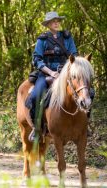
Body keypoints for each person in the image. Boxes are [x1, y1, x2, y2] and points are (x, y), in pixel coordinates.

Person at [25, 11, 78, 141]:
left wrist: (66, 71)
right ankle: (37, 129)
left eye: (57, 21)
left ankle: (84, 126)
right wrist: (51, 72)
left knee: (86, 92)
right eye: (53, 21)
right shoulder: (42, 39)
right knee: (36, 96)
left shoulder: (67, 37)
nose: (56, 23)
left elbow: (74, 55)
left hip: (66, 73)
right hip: (46, 73)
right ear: (48, 24)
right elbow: (37, 60)